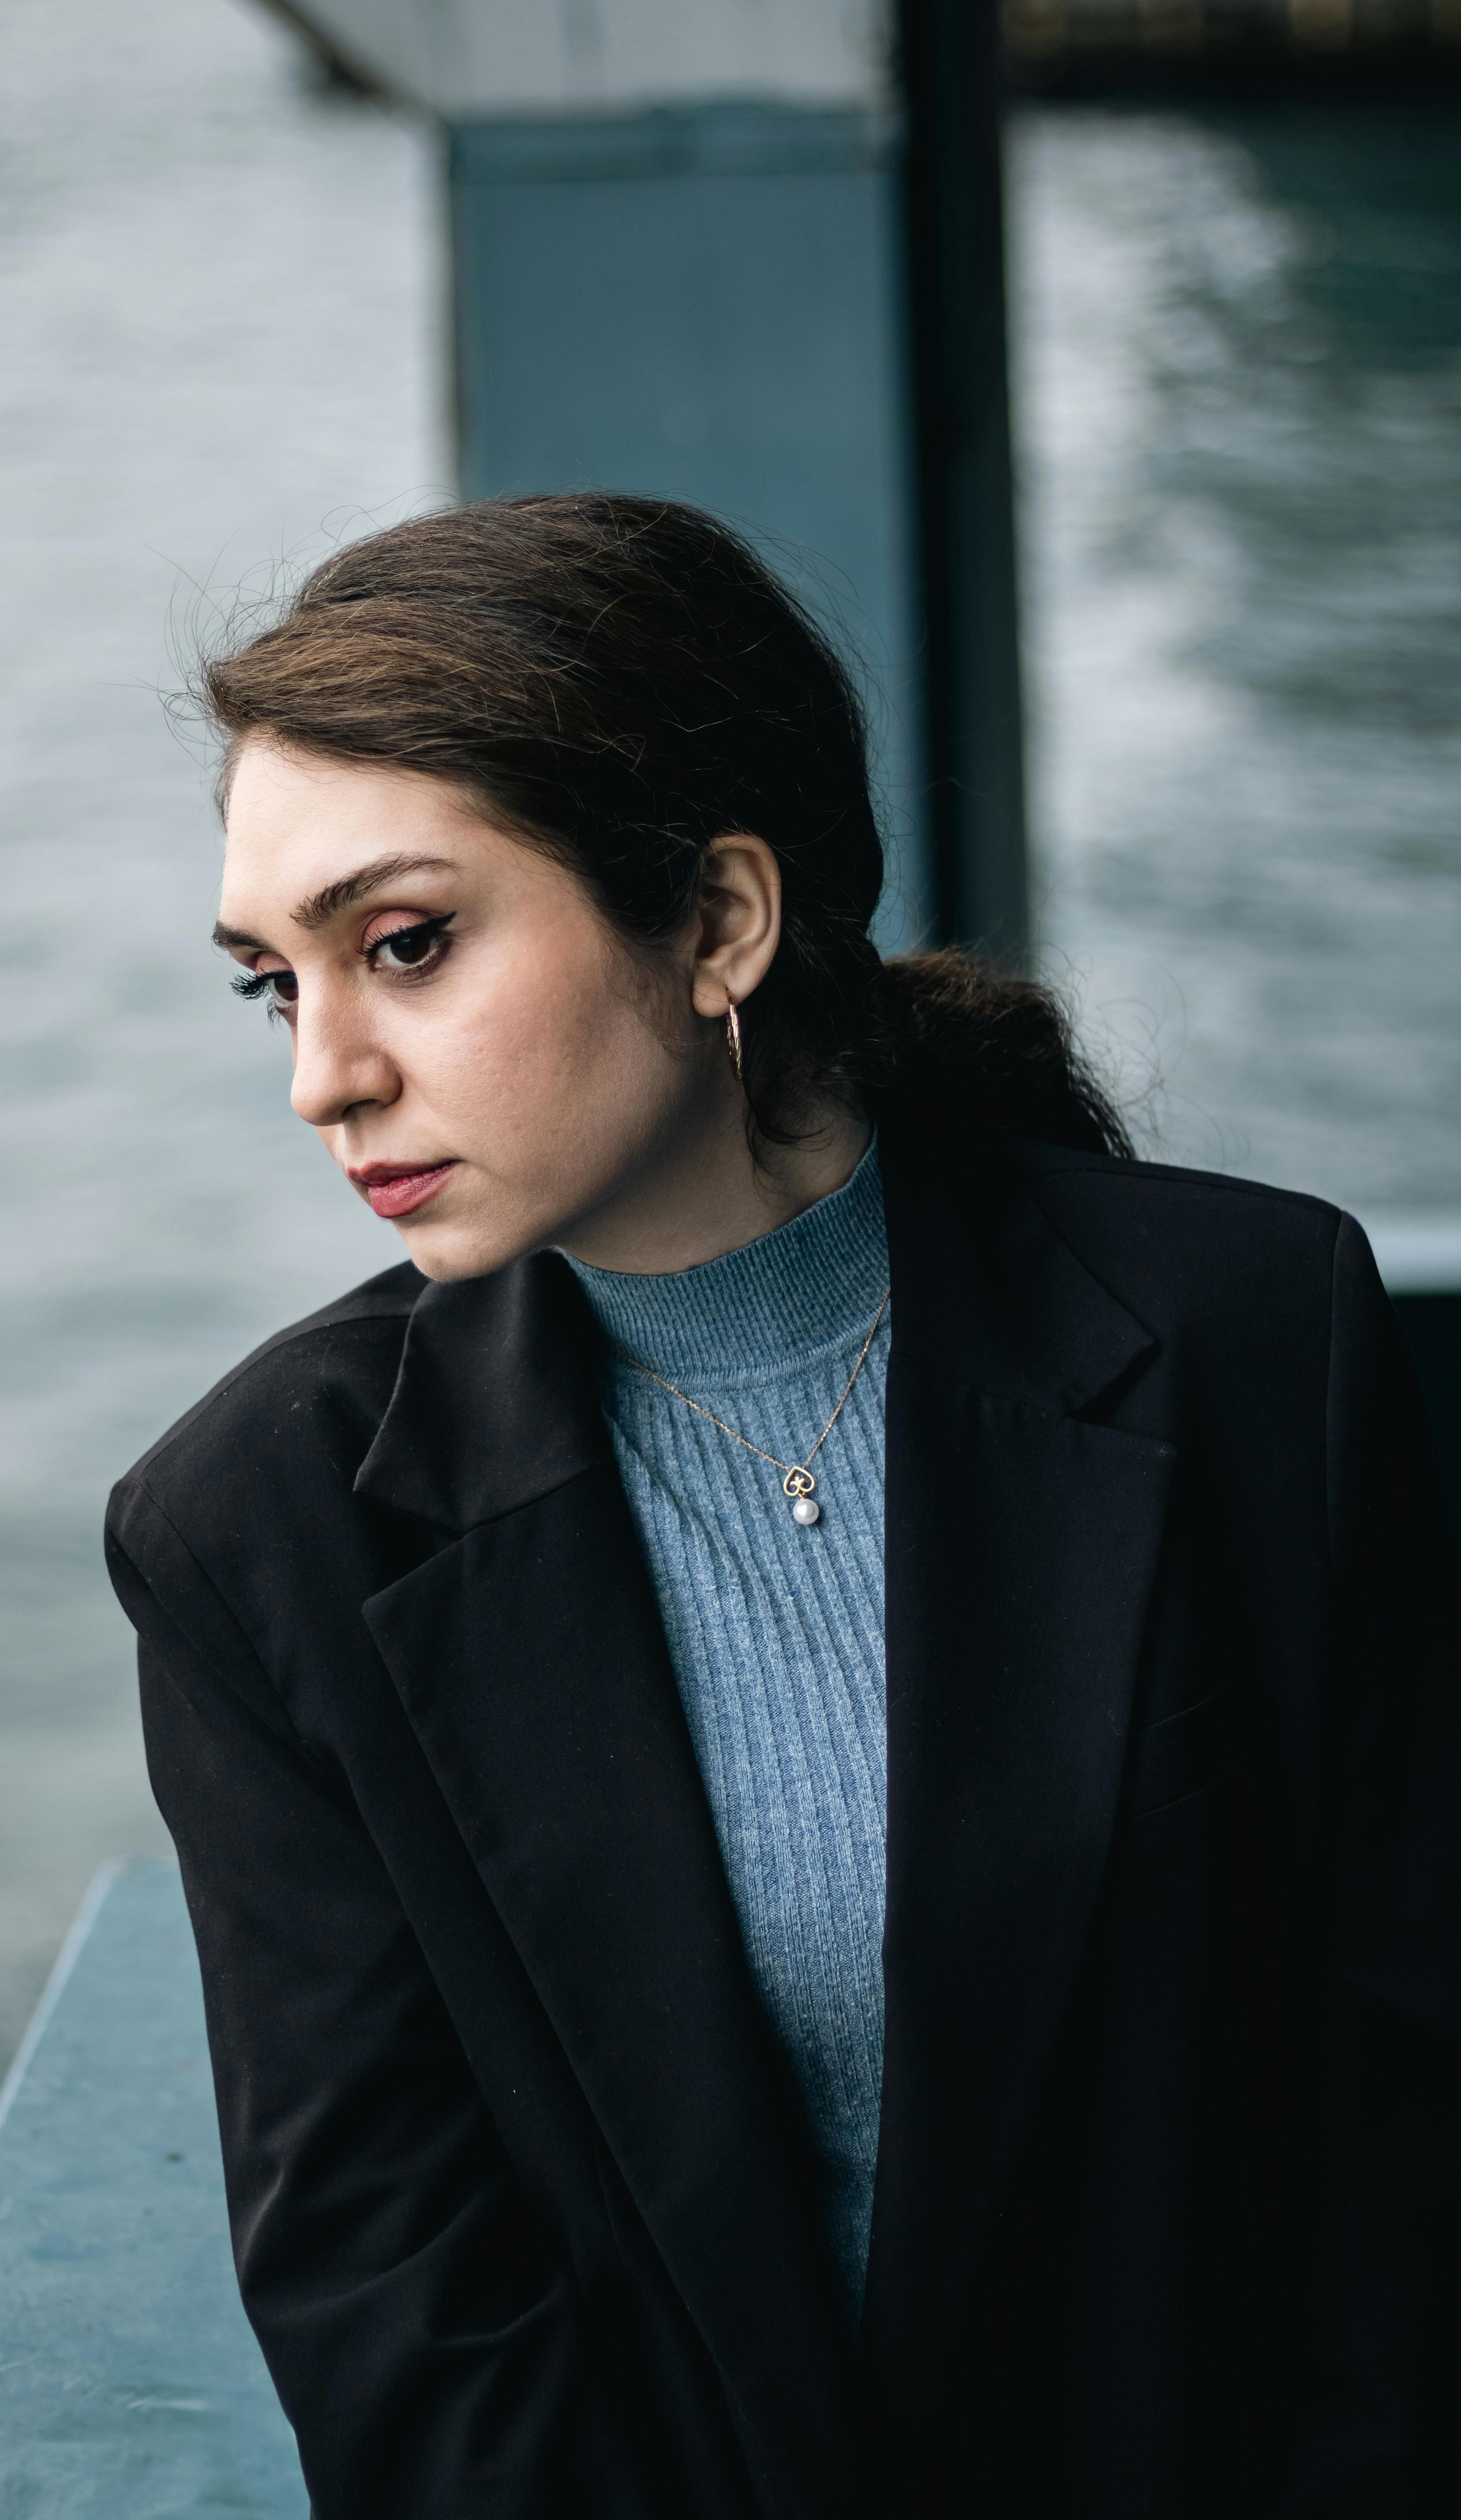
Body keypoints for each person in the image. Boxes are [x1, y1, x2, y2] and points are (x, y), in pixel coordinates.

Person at [104, 494, 1458, 2519]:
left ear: (719, 921)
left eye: (403, 946)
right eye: (270, 983)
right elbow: (402, 2300)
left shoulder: (1250, 1336)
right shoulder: (265, 1524)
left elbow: (1400, 2118)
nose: (325, 1072)